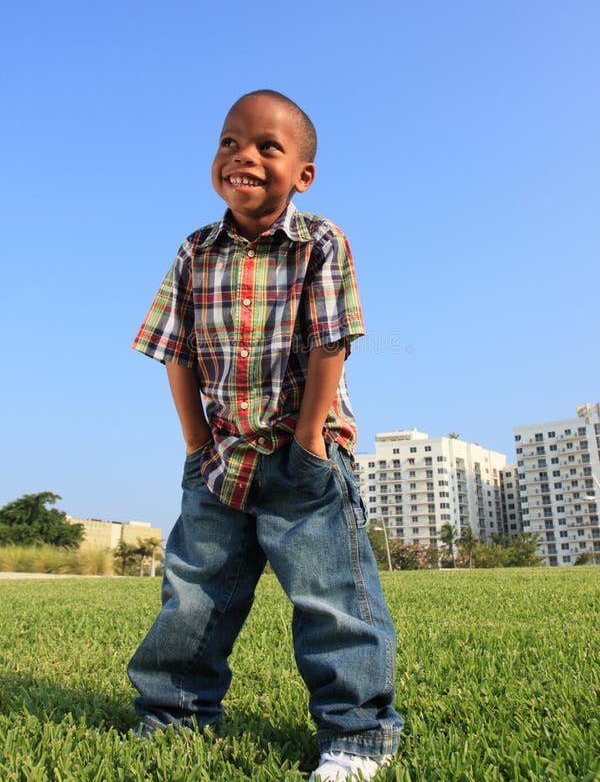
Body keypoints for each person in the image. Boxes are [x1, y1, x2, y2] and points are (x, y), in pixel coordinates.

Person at [127, 89, 403, 780]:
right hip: (219, 460)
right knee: (194, 595)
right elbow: (177, 351)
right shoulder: (195, 252)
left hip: (300, 457)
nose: (242, 156)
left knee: (330, 597)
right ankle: (175, 716)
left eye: (266, 148)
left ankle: (357, 735)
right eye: (229, 142)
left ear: (302, 175)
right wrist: (196, 445)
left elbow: (329, 343)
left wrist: (310, 442)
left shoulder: (321, 243)